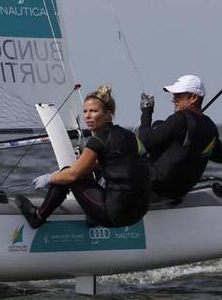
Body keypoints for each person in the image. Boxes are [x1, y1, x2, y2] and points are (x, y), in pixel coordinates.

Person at [14, 85, 151, 229]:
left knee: (67, 173)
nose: (87, 116)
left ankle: (37, 217)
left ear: (108, 113)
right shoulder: (130, 136)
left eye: (94, 111)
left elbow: (72, 175)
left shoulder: (98, 140)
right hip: (139, 213)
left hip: (115, 216)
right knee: (86, 173)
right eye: (85, 111)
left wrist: (50, 178)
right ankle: (92, 216)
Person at [138, 74, 222, 201]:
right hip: (179, 191)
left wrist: (146, 111)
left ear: (194, 97)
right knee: (159, 125)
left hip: (157, 189)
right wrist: (198, 142)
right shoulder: (210, 127)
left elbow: (144, 143)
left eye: (178, 95)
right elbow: (221, 156)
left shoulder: (180, 119)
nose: (173, 99)